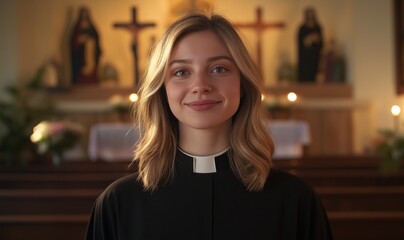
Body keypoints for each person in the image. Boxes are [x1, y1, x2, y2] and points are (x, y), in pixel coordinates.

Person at [86, 12, 332, 240]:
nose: (200, 85)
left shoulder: (295, 201)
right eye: (181, 72)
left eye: (219, 68)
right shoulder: (118, 204)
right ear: (162, 90)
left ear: (243, 84)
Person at [70, 7, 102, 84]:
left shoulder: (92, 28)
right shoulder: (77, 28)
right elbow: (73, 43)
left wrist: (89, 41)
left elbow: (97, 41)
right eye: (82, 16)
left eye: (86, 16)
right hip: (81, 60)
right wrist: (79, 41)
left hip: (91, 59)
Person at [297, 7, 323, 82]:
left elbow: (321, 43)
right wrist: (309, 39)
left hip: (315, 57)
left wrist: (316, 39)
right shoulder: (302, 28)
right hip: (305, 58)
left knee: (314, 75)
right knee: (305, 75)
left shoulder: (318, 27)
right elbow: (301, 43)